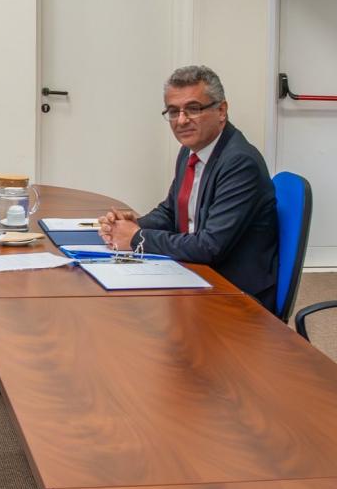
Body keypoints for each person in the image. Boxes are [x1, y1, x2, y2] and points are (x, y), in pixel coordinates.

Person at [99, 65, 279, 310]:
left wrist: (136, 238)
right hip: (195, 273)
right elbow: (171, 211)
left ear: (221, 110)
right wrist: (135, 224)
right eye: (173, 112)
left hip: (233, 293)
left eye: (193, 109)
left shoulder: (239, 163)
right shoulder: (190, 151)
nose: (181, 120)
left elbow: (208, 247)